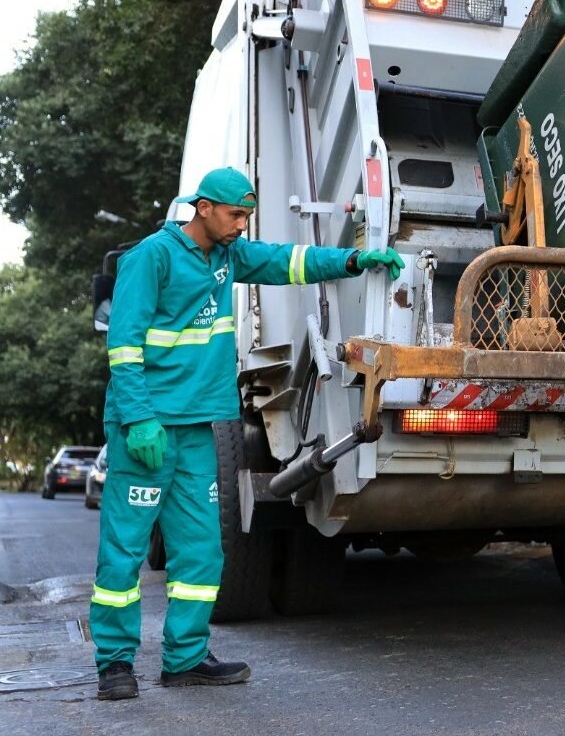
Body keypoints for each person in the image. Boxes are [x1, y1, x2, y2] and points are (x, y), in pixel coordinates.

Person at [93, 167, 405, 700]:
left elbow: (288, 262)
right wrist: (139, 417)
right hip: (146, 428)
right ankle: (115, 665)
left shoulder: (228, 256)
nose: (242, 225)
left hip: (196, 430)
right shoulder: (152, 257)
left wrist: (352, 260)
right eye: (235, 214)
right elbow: (123, 346)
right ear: (204, 208)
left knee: (201, 552)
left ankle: (185, 658)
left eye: (247, 216)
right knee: (123, 551)